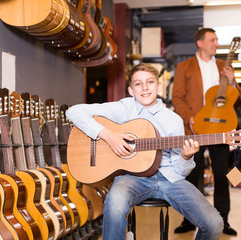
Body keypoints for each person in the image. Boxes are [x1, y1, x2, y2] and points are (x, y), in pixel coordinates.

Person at [66, 63, 223, 240]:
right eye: (138, 84)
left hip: (169, 178)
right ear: (131, 90)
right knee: (114, 204)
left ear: (159, 86)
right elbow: (74, 112)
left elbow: (179, 171)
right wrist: (109, 136)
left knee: (214, 224)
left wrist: (186, 156)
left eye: (150, 82)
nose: (145, 88)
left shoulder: (174, 121)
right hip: (131, 177)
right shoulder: (124, 108)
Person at [172, 28, 241, 236]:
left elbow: (235, 98)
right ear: (200, 43)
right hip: (194, 129)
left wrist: (232, 82)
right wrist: (188, 117)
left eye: (218, 40)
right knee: (192, 176)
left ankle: (223, 221)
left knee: (222, 175)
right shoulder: (184, 67)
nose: (217, 44)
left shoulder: (223, 66)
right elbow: (177, 97)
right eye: (213, 40)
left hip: (220, 129)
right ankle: (188, 220)